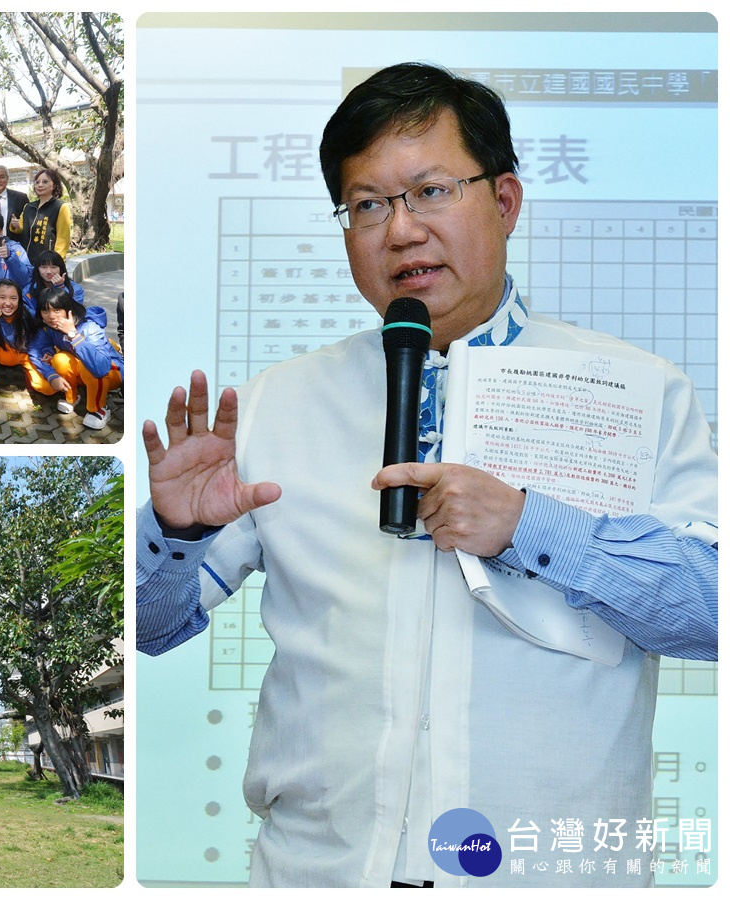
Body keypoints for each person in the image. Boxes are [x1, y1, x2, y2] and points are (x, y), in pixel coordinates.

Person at [136, 62, 717, 889]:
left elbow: (714, 608)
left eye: (431, 191)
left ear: (504, 201)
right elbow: (150, 627)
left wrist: (531, 528)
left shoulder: (636, 388)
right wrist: (178, 533)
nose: (400, 231)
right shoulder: (274, 403)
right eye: (368, 204)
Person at [36, 284, 122, 429]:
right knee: (60, 359)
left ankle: (99, 409)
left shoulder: (90, 328)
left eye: (57, 310)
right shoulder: (51, 328)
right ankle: (72, 397)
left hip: (111, 372)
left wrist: (73, 335)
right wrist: (48, 353)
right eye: (45, 310)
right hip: (85, 372)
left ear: (68, 310)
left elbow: (100, 367)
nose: (51, 316)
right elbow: (40, 346)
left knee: (87, 362)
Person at [0, 278, 57, 406]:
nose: (8, 303)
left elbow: (44, 334)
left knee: (48, 389)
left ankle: (29, 376)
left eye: (13, 298)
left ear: (19, 300)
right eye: (2, 297)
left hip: (24, 354)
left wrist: (47, 351)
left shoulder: (27, 315)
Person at [19, 168, 72, 265]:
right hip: (26, 261)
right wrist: (15, 225)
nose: (40, 185)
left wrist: (55, 262)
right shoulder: (28, 207)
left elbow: (63, 239)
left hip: (47, 264)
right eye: (37, 182)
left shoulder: (60, 207)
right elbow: (21, 228)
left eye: (45, 182)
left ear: (54, 185)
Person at [23, 249, 84, 316]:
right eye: (44, 267)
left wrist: (60, 289)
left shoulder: (76, 289)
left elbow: (75, 313)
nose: (49, 271)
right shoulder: (27, 291)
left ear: (61, 269)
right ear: (37, 269)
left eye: (53, 267)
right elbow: (26, 314)